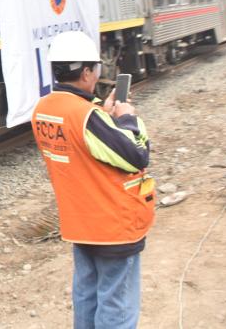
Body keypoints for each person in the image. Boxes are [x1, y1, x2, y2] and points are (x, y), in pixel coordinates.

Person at [33, 31, 155, 329]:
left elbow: (82, 141)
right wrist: (126, 117)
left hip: (80, 223)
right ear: (86, 72)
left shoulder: (44, 109)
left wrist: (102, 113)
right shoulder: (87, 116)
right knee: (116, 306)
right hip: (113, 225)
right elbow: (137, 155)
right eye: (96, 68)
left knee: (86, 296)